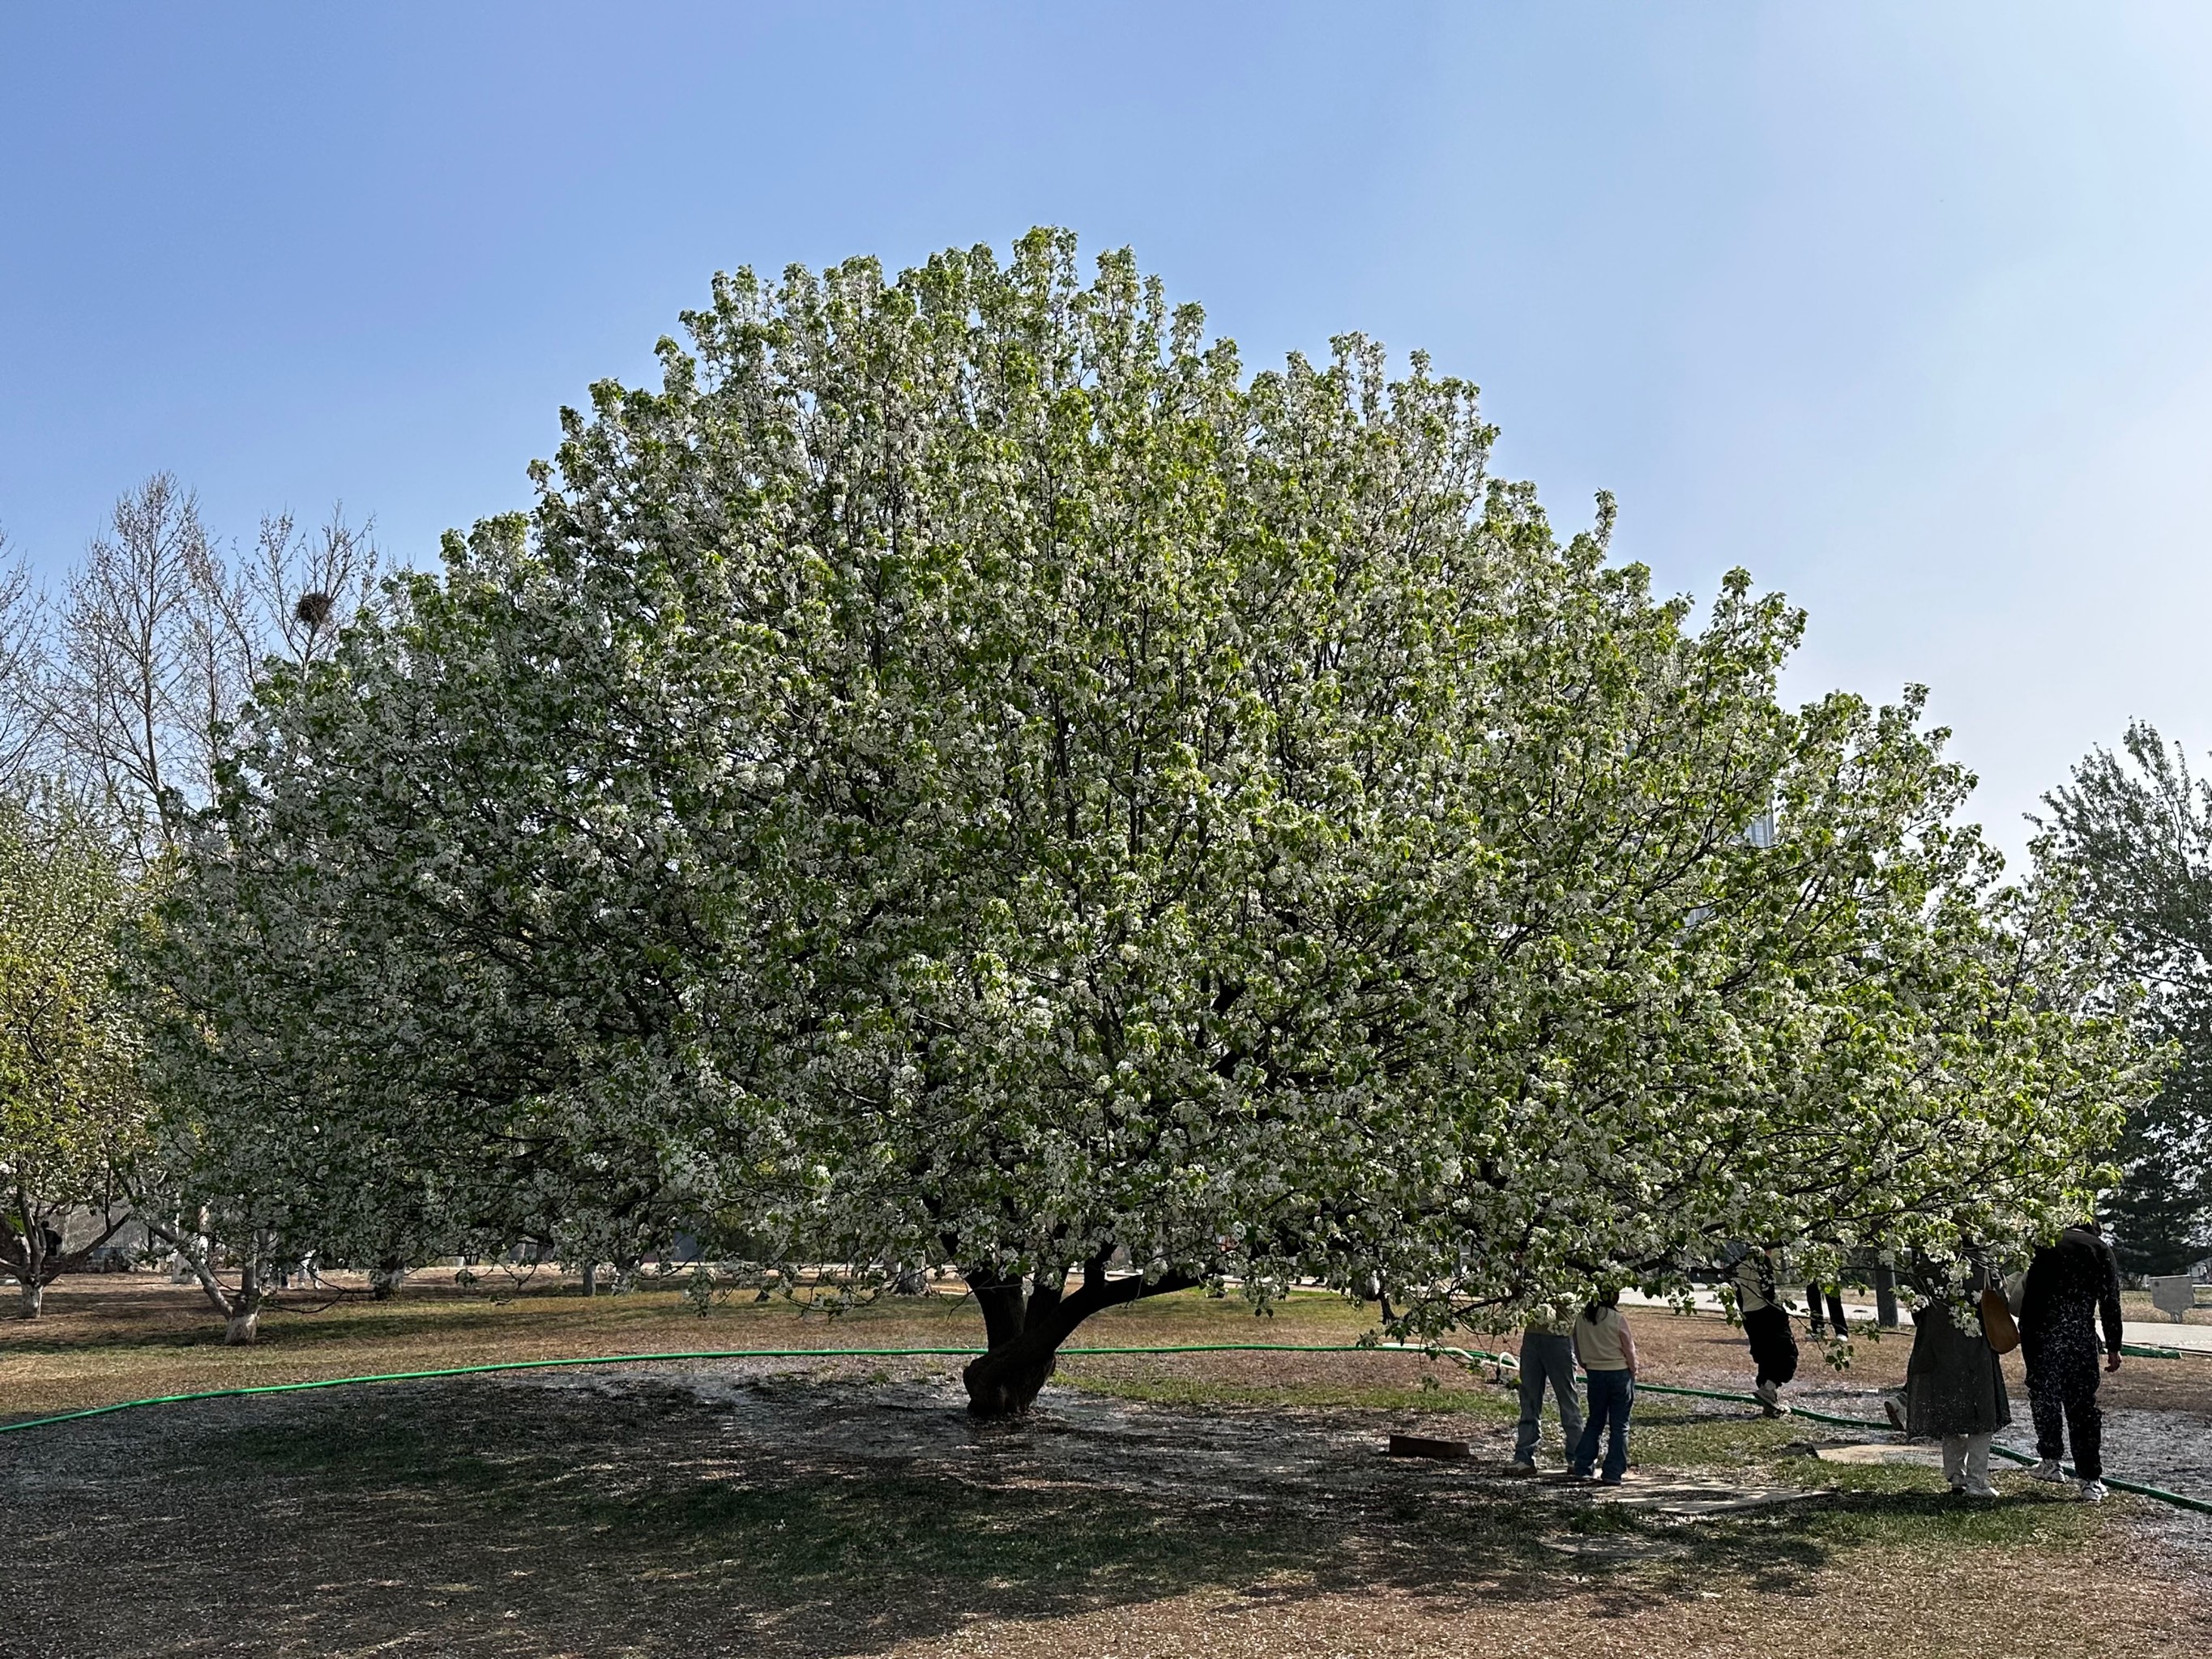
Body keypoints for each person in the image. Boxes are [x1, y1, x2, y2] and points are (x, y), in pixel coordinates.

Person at [2018, 1219, 2124, 1503]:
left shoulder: (2044, 1242)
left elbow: (2026, 1291)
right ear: (2094, 1230)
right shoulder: (2100, 1249)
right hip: (2079, 1335)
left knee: (2044, 1396)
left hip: (2039, 1332)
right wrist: (2114, 1346)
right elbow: (2110, 1301)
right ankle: (2090, 1480)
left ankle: (2050, 1462)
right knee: (2083, 1407)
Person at [1904, 1274, 2012, 1499]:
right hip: (1976, 1349)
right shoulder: (1982, 1266)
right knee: (1982, 1415)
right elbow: (1999, 1303)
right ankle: (1977, 1481)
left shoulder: (1926, 1267)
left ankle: (1956, 1475)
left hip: (1937, 1347)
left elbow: (1917, 1312)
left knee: (1951, 1410)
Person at [1569, 1290, 1637, 1484]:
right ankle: (1613, 1472)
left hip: (1595, 1373)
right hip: (1619, 1372)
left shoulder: (1582, 1318)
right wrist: (1633, 1369)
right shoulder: (1616, 1318)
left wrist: (1586, 1364)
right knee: (1620, 1425)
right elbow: (1628, 1347)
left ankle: (1583, 1466)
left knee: (1595, 1422)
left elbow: (1578, 1347)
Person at [1510, 1307, 1585, 1473]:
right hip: (1532, 1334)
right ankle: (1524, 1457)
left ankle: (1578, 1458)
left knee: (1567, 1400)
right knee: (1528, 1398)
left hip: (1559, 1336)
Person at [1733, 1246, 1798, 1414]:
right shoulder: (1762, 1261)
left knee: (1765, 1357)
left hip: (1750, 1315)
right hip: (1766, 1312)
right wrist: (1779, 1308)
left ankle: (1769, 1402)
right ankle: (1769, 1388)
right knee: (1786, 1354)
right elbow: (1768, 1291)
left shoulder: (1738, 1264)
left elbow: (1738, 1296)